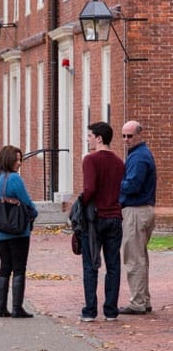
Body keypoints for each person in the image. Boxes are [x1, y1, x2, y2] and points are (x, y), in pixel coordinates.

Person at [78, 121, 124, 322]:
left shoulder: (90, 160)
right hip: (115, 217)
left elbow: (89, 189)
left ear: (99, 138)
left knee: (90, 264)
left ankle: (89, 310)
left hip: (95, 219)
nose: (87, 139)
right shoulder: (119, 163)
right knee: (113, 265)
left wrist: (80, 204)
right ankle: (111, 311)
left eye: (89, 136)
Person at [0, 145, 38, 318]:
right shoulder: (14, 179)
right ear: (7, 159)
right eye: (16, 159)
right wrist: (34, 213)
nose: (19, 163)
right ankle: (17, 308)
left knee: (4, 267)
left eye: (20, 159)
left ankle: (1, 308)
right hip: (17, 230)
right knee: (19, 268)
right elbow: (27, 202)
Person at [118, 120, 157, 315]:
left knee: (133, 258)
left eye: (130, 136)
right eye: (124, 136)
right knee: (139, 257)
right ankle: (144, 299)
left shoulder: (139, 157)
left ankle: (138, 302)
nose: (126, 140)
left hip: (136, 210)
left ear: (139, 135)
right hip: (143, 210)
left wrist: (115, 184)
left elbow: (132, 185)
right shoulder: (138, 155)